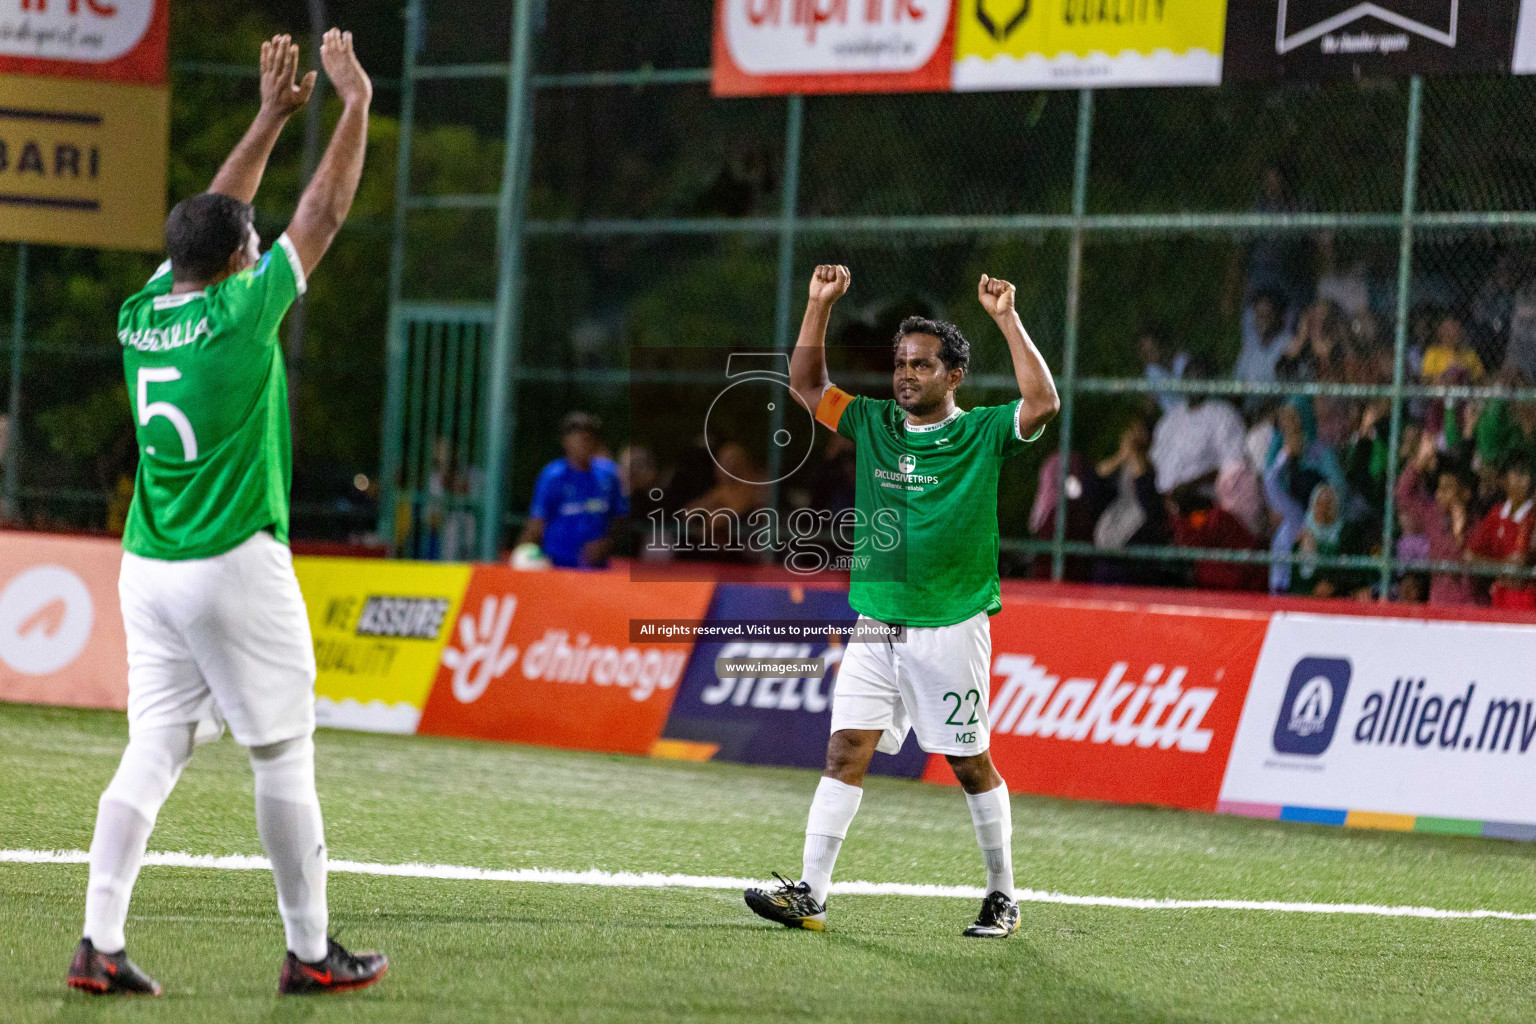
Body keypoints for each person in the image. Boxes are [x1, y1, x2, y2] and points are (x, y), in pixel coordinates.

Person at [71, 33, 385, 997]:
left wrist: (268, 119)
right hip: (232, 562)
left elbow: (210, 221)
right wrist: (354, 102)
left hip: (148, 566)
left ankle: (99, 941)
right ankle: (308, 952)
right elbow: (322, 210)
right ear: (241, 259)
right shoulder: (244, 311)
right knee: (283, 749)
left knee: (155, 746)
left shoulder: (143, 310)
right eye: (250, 239)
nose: (258, 241)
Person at [743, 265, 1058, 939]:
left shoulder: (982, 432)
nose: (905, 375)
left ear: (952, 376)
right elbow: (805, 386)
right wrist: (817, 303)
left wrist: (1006, 317)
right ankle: (813, 894)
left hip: (951, 623)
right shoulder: (874, 423)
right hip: (876, 621)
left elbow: (1042, 404)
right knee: (844, 751)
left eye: (921, 365)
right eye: (900, 364)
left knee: (971, 764)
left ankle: (1002, 896)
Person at [514, 411, 627, 569]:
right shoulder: (553, 476)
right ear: (565, 441)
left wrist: (607, 543)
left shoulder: (609, 474)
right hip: (558, 566)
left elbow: (621, 517)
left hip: (596, 570)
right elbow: (537, 523)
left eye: (588, 438)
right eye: (577, 437)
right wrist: (520, 553)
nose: (583, 443)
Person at [1466, 455, 1536, 610]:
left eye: (1527, 475)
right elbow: (1469, 557)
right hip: (1500, 599)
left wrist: (1492, 564)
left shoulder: (1533, 517)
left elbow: (1520, 563)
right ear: (1504, 481)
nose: (1525, 481)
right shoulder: (1496, 514)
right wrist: (1504, 566)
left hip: (1529, 602)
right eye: (1518, 475)